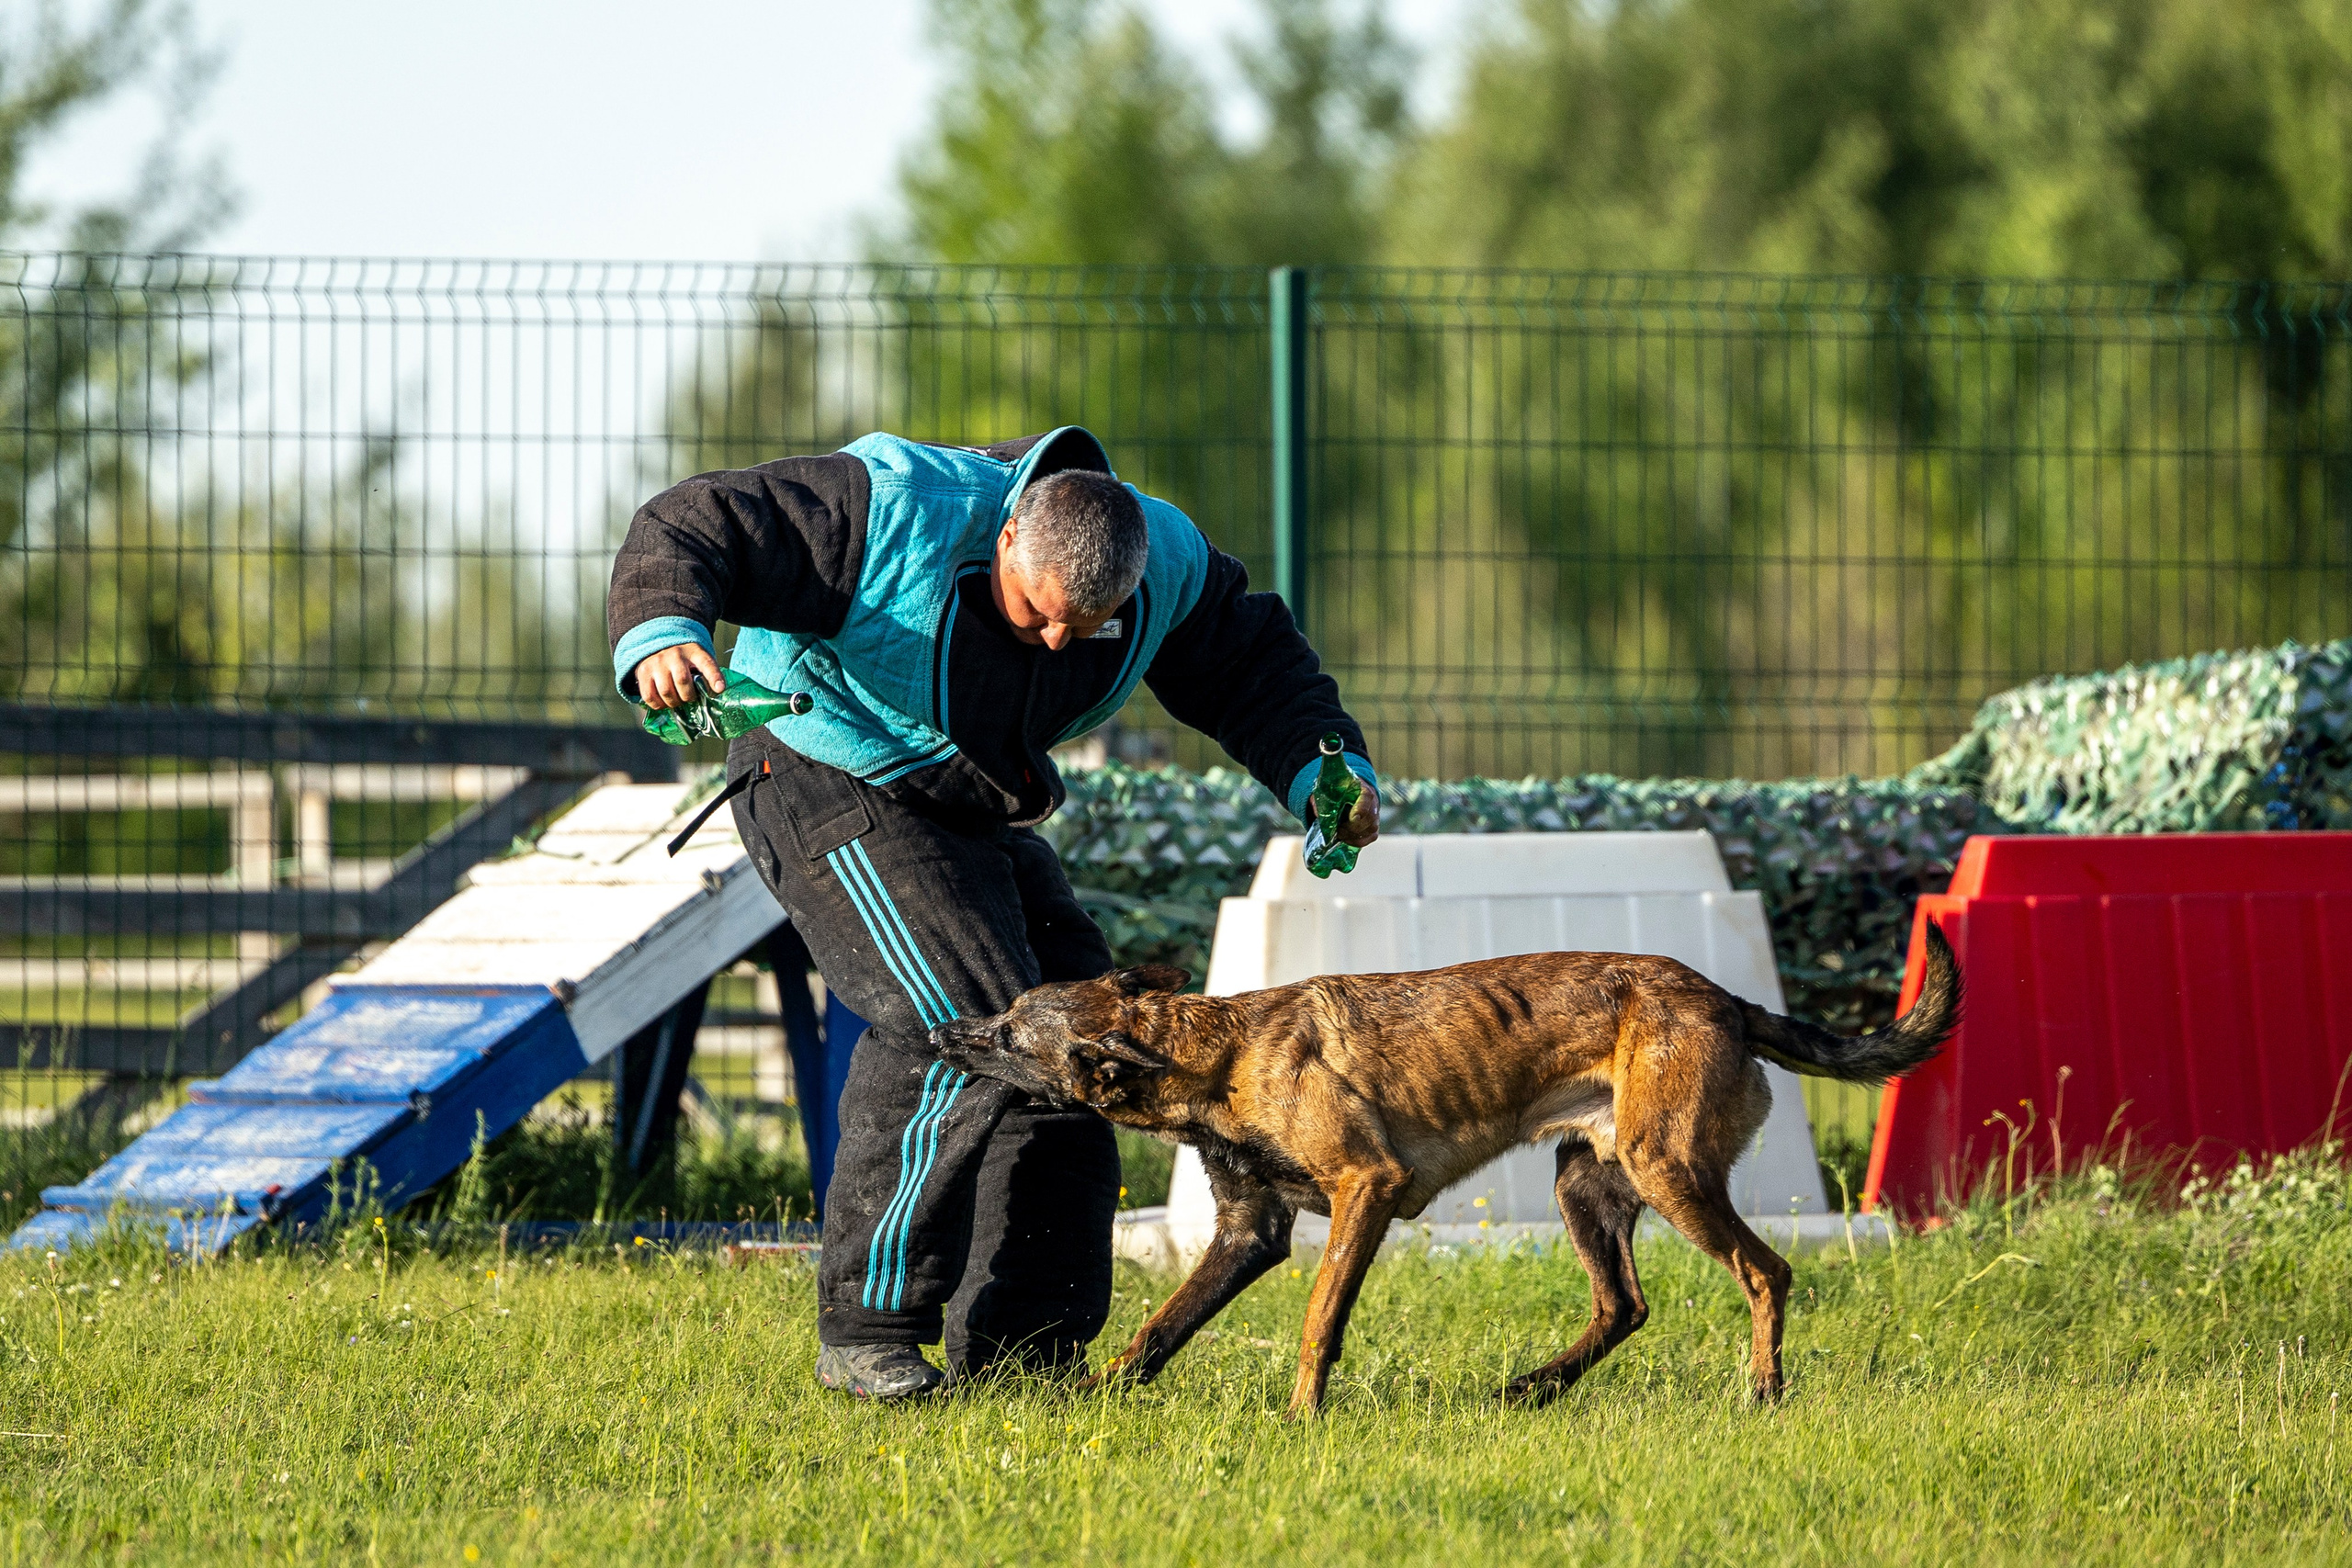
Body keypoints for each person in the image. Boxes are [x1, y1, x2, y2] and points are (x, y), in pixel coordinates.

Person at [608, 426, 1377, 1399]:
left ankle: (1024, 1355)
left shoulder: (1168, 560)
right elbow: (697, 520)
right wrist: (664, 630)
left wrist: (1323, 768)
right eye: (1038, 615)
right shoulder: (889, 512)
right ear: (1008, 537)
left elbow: (1252, 666)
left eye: (1087, 626)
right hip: (819, 767)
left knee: (1084, 1048)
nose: (1057, 641)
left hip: (967, 803)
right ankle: (869, 1329)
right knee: (965, 1023)